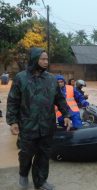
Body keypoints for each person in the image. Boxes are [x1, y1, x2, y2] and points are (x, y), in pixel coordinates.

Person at [6, 47, 71, 190]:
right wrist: (13, 122)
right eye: (42, 59)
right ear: (35, 59)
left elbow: (60, 99)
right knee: (26, 154)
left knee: (43, 155)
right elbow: (12, 101)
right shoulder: (21, 78)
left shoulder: (51, 79)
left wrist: (66, 115)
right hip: (28, 125)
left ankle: (40, 181)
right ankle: (23, 173)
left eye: (47, 59)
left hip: (47, 125)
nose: (45, 61)